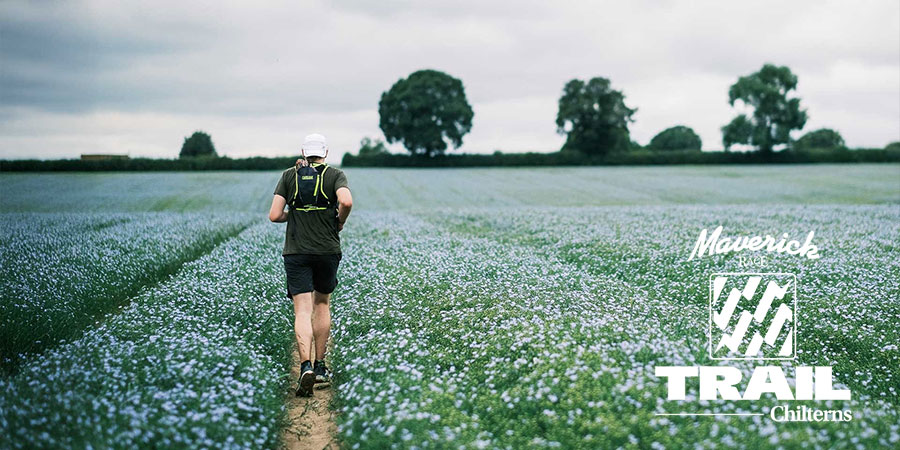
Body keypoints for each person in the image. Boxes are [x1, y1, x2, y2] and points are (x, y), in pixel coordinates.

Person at [268, 133, 353, 397]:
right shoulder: (335, 175)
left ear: (304, 152)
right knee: (322, 304)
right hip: (327, 249)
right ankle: (321, 367)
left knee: (302, 311)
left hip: (296, 251)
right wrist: (340, 220)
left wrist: (292, 215)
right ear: (325, 153)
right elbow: (346, 201)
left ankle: (304, 365)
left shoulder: (288, 176)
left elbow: (273, 215)